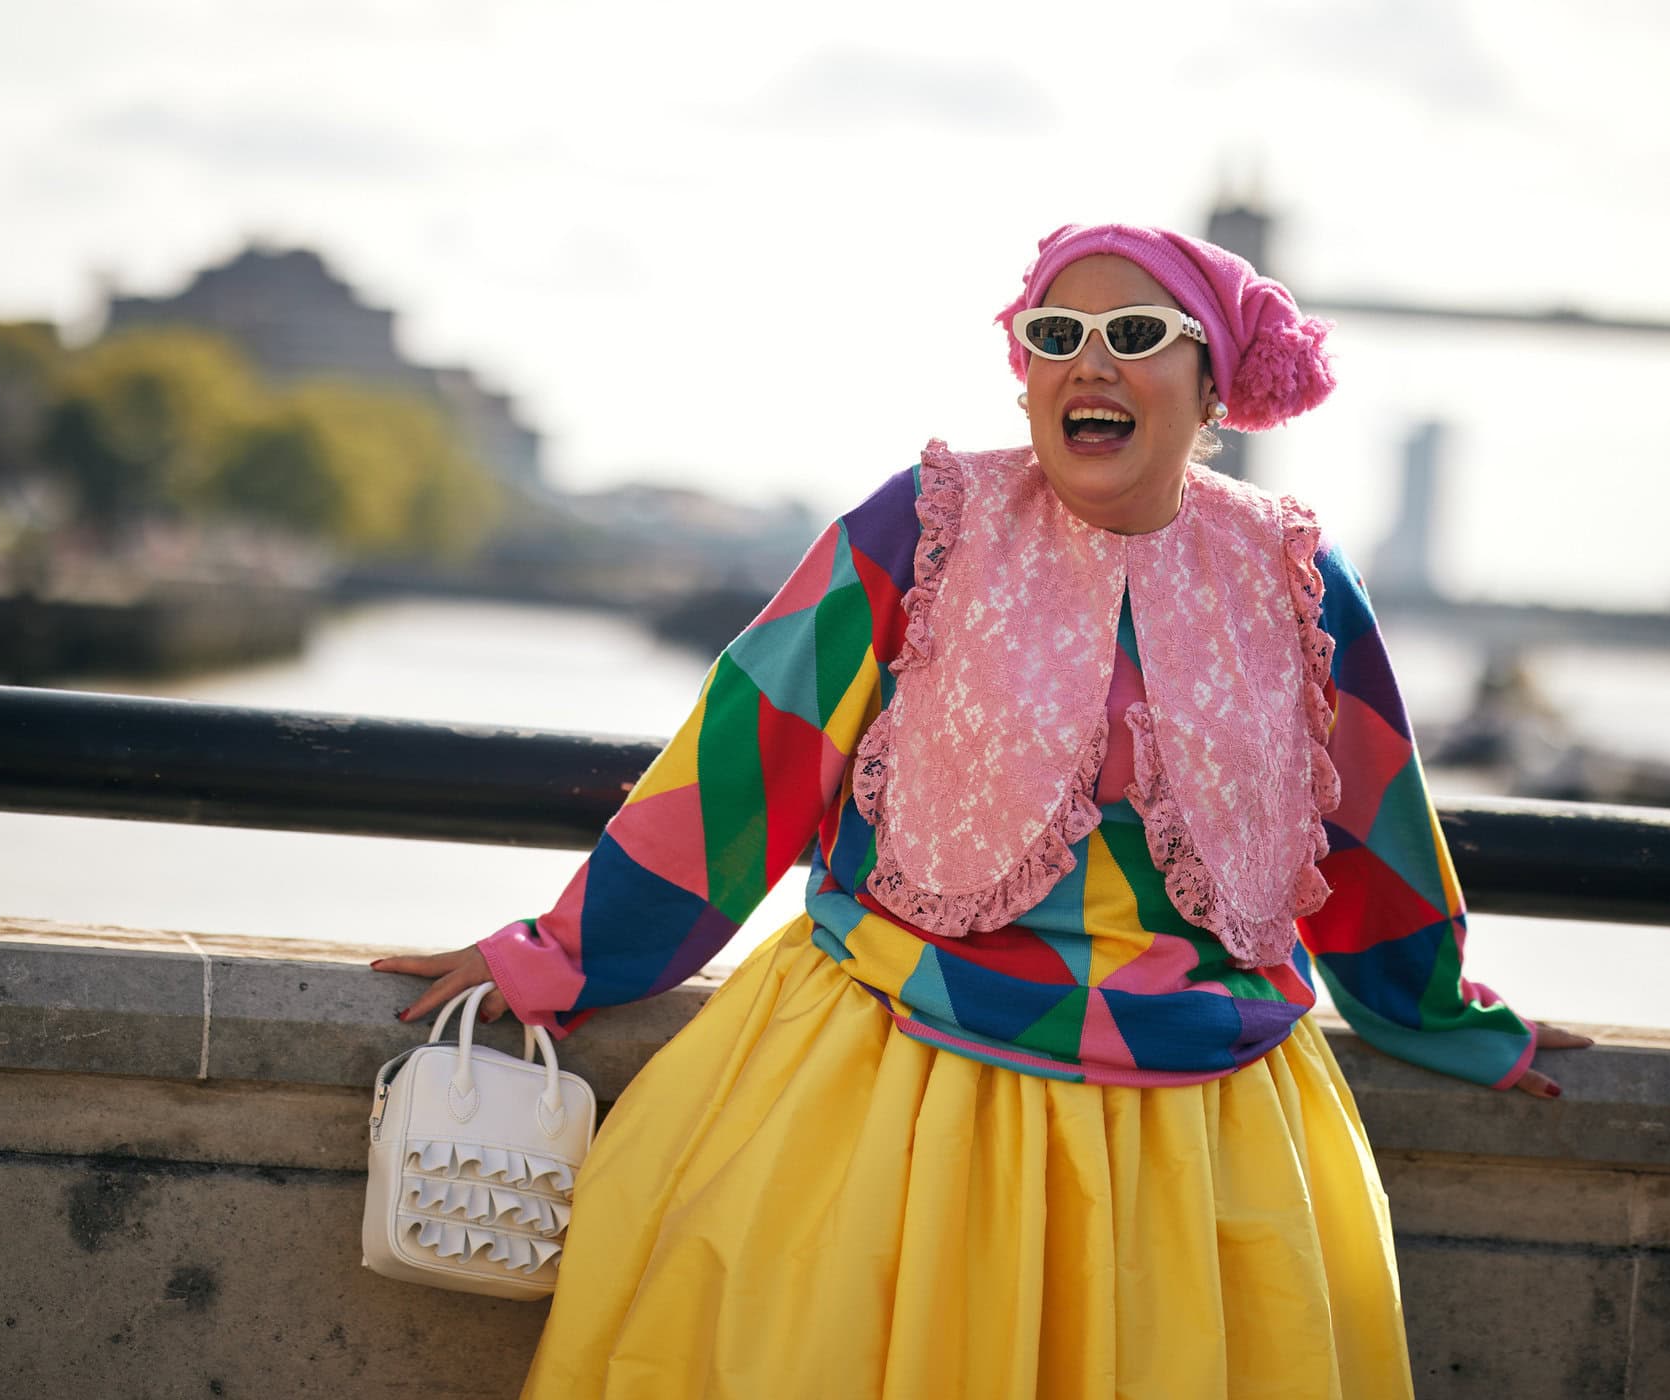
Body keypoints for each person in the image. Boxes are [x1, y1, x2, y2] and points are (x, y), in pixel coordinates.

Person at [373, 222, 1593, 1398]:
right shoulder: (922, 523)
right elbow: (750, 752)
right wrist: (560, 953)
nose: (1089, 361)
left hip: (1198, 1134)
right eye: (1056, 333)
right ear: (1025, 375)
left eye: (1133, 332)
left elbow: (1372, 828)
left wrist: (1446, 1012)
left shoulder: (1300, 576)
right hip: (895, 1091)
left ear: (1211, 381)